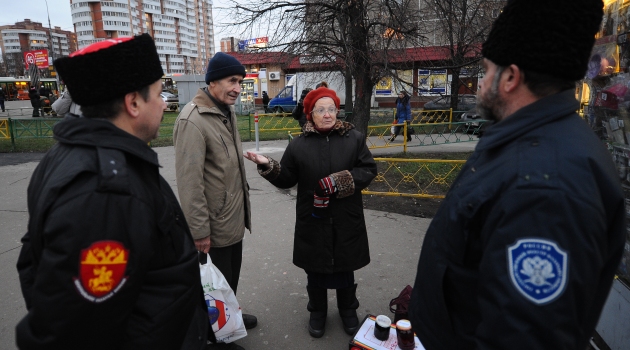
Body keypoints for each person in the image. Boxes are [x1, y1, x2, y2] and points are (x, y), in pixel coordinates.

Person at [408, 1, 626, 349]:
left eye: (485, 71)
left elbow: (522, 337)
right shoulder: (530, 144)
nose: (480, 85)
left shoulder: (544, 189)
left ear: (510, 77)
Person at [15, 34, 208, 350]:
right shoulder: (106, 193)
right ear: (133, 103)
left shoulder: (70, 154)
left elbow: (35, 263)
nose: (163, 103)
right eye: (159, 94)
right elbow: (74, 329)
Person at [244, 87, 377, 338]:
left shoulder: (354, 139)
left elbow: (368, 170)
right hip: (313, 219)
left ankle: (348, 309)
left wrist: (340, 181)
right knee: (315, 269)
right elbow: (287, 178)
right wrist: (267, 165)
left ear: (337, 111)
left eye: (331, 109)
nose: (327, 115)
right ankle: (317, 311)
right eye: (320, 110)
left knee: (344, 266)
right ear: (310, 114)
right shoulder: (298, 145)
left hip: (345, 217)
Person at [173, 52, 256, 350]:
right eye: (232, 81)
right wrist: (199, 232)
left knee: (228, 280)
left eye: (240, 82)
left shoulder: (226, 111)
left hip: (233, 217)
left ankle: (229, 317)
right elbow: (189, 183)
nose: (237, 87)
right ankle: (215, 336)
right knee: (211, 286)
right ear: (213, 81)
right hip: (213, 225)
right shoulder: (192, 120)